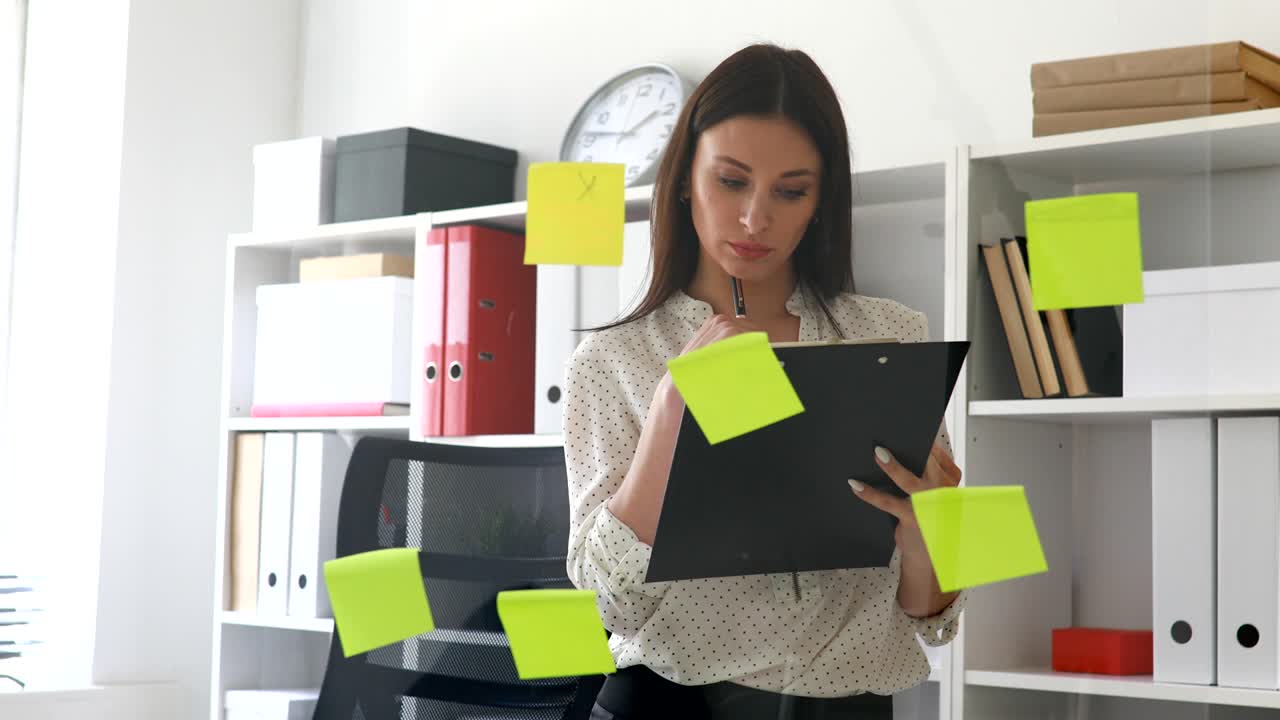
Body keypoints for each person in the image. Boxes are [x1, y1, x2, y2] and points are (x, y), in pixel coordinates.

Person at [563, 43, 965, 720]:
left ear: (820, 200)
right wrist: (669, 413)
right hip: (670, 706)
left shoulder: (888, 337)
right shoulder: (612, 359)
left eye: (790, 190)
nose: (755, 218)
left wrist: (931, 534)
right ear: (685, 179)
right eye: (731, 181)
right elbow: (610, 605)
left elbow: (933, 617)